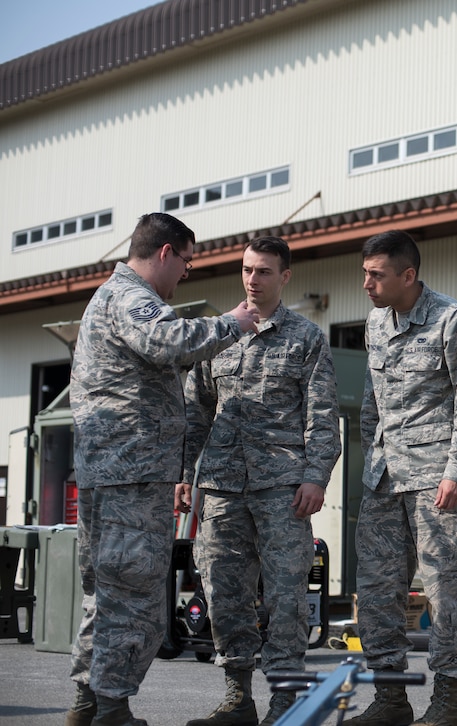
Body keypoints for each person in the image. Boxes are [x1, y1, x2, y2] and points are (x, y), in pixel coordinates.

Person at [66, 213, 260, 726]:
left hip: (115, 471)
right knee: (133, 592)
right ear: (166, 252)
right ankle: (111, 708)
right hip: (130, 474)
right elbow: (170, 341)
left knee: (106, 592)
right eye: (188, 262)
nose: (187, 274)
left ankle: (88, 703)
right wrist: (232, 325)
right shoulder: (131, 297)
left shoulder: (110, 296)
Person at [178, 236, 342, 726]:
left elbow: (323, 417)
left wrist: (316, 477)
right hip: (223, 489)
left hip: (282, 491)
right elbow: (195, 412)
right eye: (247, 269)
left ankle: (287, 702)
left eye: (264, 271)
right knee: (224, 593)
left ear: (284, 277)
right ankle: (237, 698)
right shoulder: (218, 335)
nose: (253, 279)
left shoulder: (306, 338)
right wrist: (187, 475)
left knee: (287, 598)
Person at [346, 230, 457, 726]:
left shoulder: (454, 319)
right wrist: (371, 458)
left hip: (437, 483)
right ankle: (390, 699)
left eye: (376, 274)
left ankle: (447, 701)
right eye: (365, 272)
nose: (366, 282)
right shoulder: (375, 323)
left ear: (408, 275)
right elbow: (373, 401)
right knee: (378, 590)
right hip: (384, 481)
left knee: (443, 591)